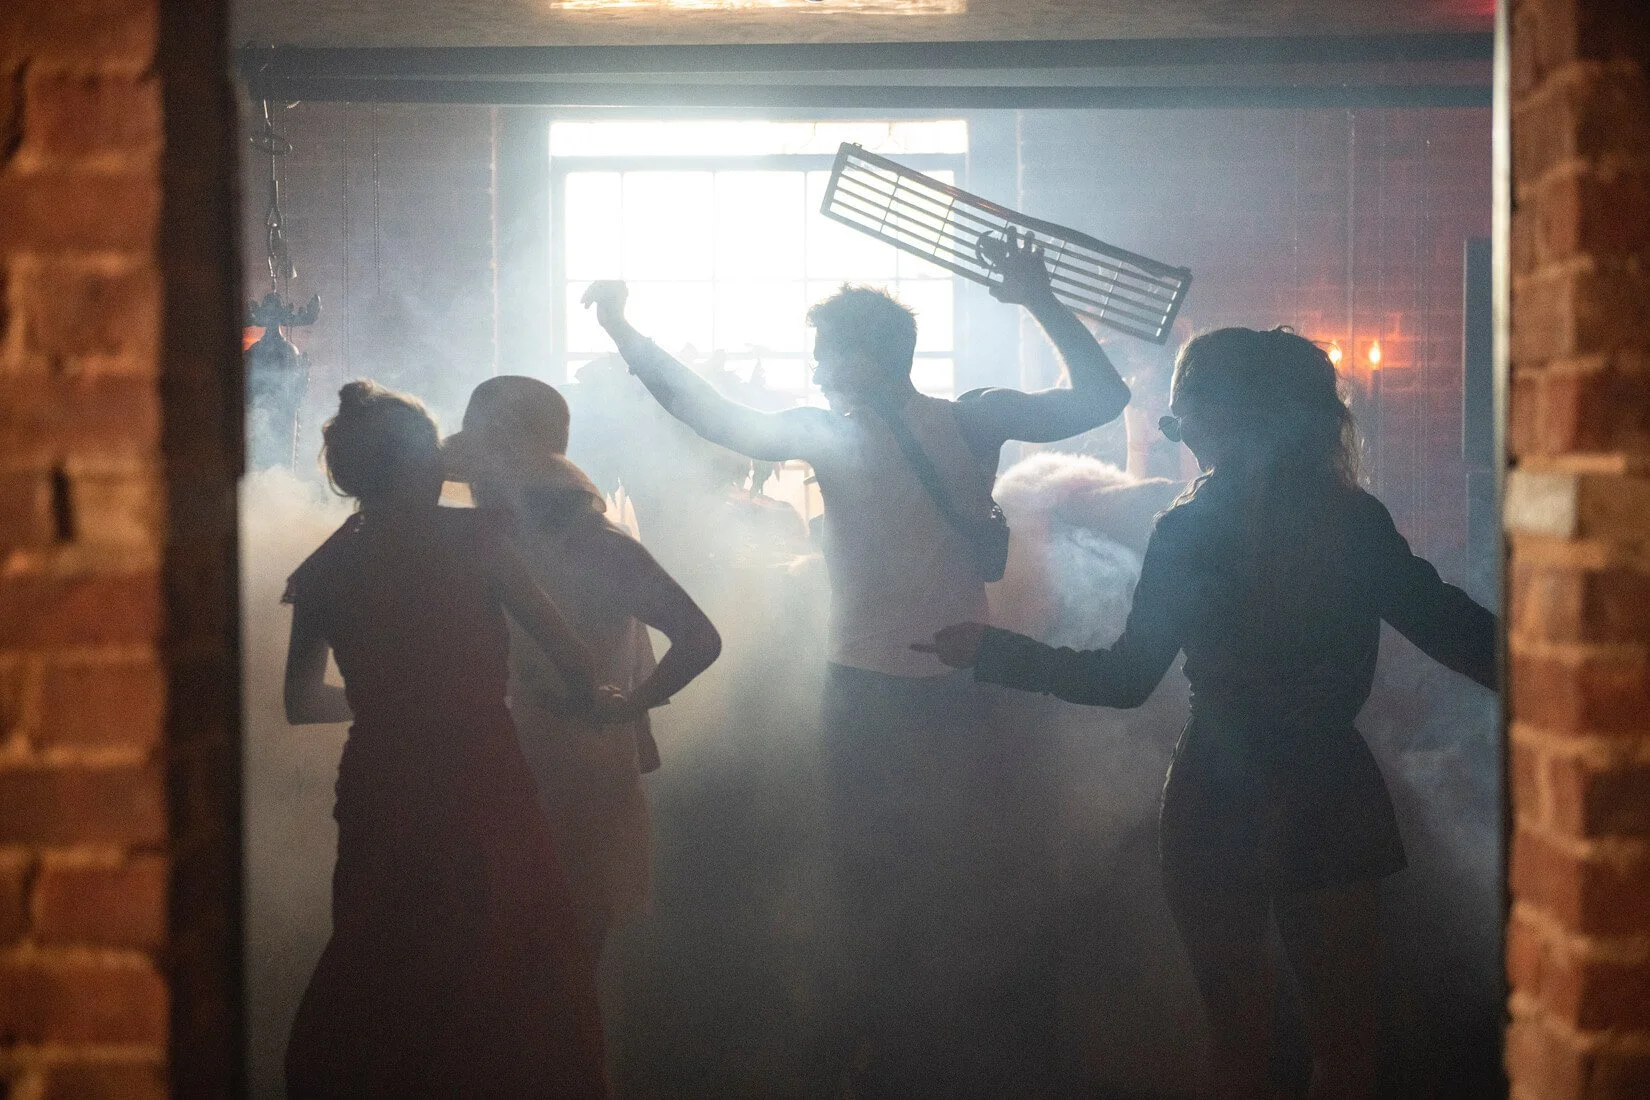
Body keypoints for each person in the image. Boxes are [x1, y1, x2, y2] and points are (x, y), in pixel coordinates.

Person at [582, 230, 1131, 1095]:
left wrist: (622, 330)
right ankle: (950, 1055)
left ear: (859, 360)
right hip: (959, 683)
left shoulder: (846, 433)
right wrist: (1038, 299)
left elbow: (707, 413)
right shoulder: (966, 419)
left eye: (823, 354)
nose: (815, 369)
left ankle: (898, 1054)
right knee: (963, 877)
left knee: (877, 882)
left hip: (872, 694)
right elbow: (1102, 397)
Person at [917, 327, 1499, 1100]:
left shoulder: (1189, 528)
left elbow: (1124, 679)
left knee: (1237, 1048)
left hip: (1215, 799)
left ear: (1221, 416)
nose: (1175, 430)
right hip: (1329, 793)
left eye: (1181, 413)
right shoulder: (1350, 520)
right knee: (1346, 1049)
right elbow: (1453, 629)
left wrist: (994, 651)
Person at [282, 380, 614, 1098]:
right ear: (423, 465)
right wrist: (590, 700)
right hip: (479, 773)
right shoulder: (478, 540)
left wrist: (388, 701)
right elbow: (576, 661)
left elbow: (300, 703)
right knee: (504, 948)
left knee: (384, 950)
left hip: (380, 778)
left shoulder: (325, 570)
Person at [443, 374, 723, 961]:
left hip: (574, 758)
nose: (475, 489)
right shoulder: (493, 544)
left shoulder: (602, 547)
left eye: (485, 474)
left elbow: (699, 638)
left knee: (559, 943)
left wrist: (629, 706)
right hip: (513, 751)